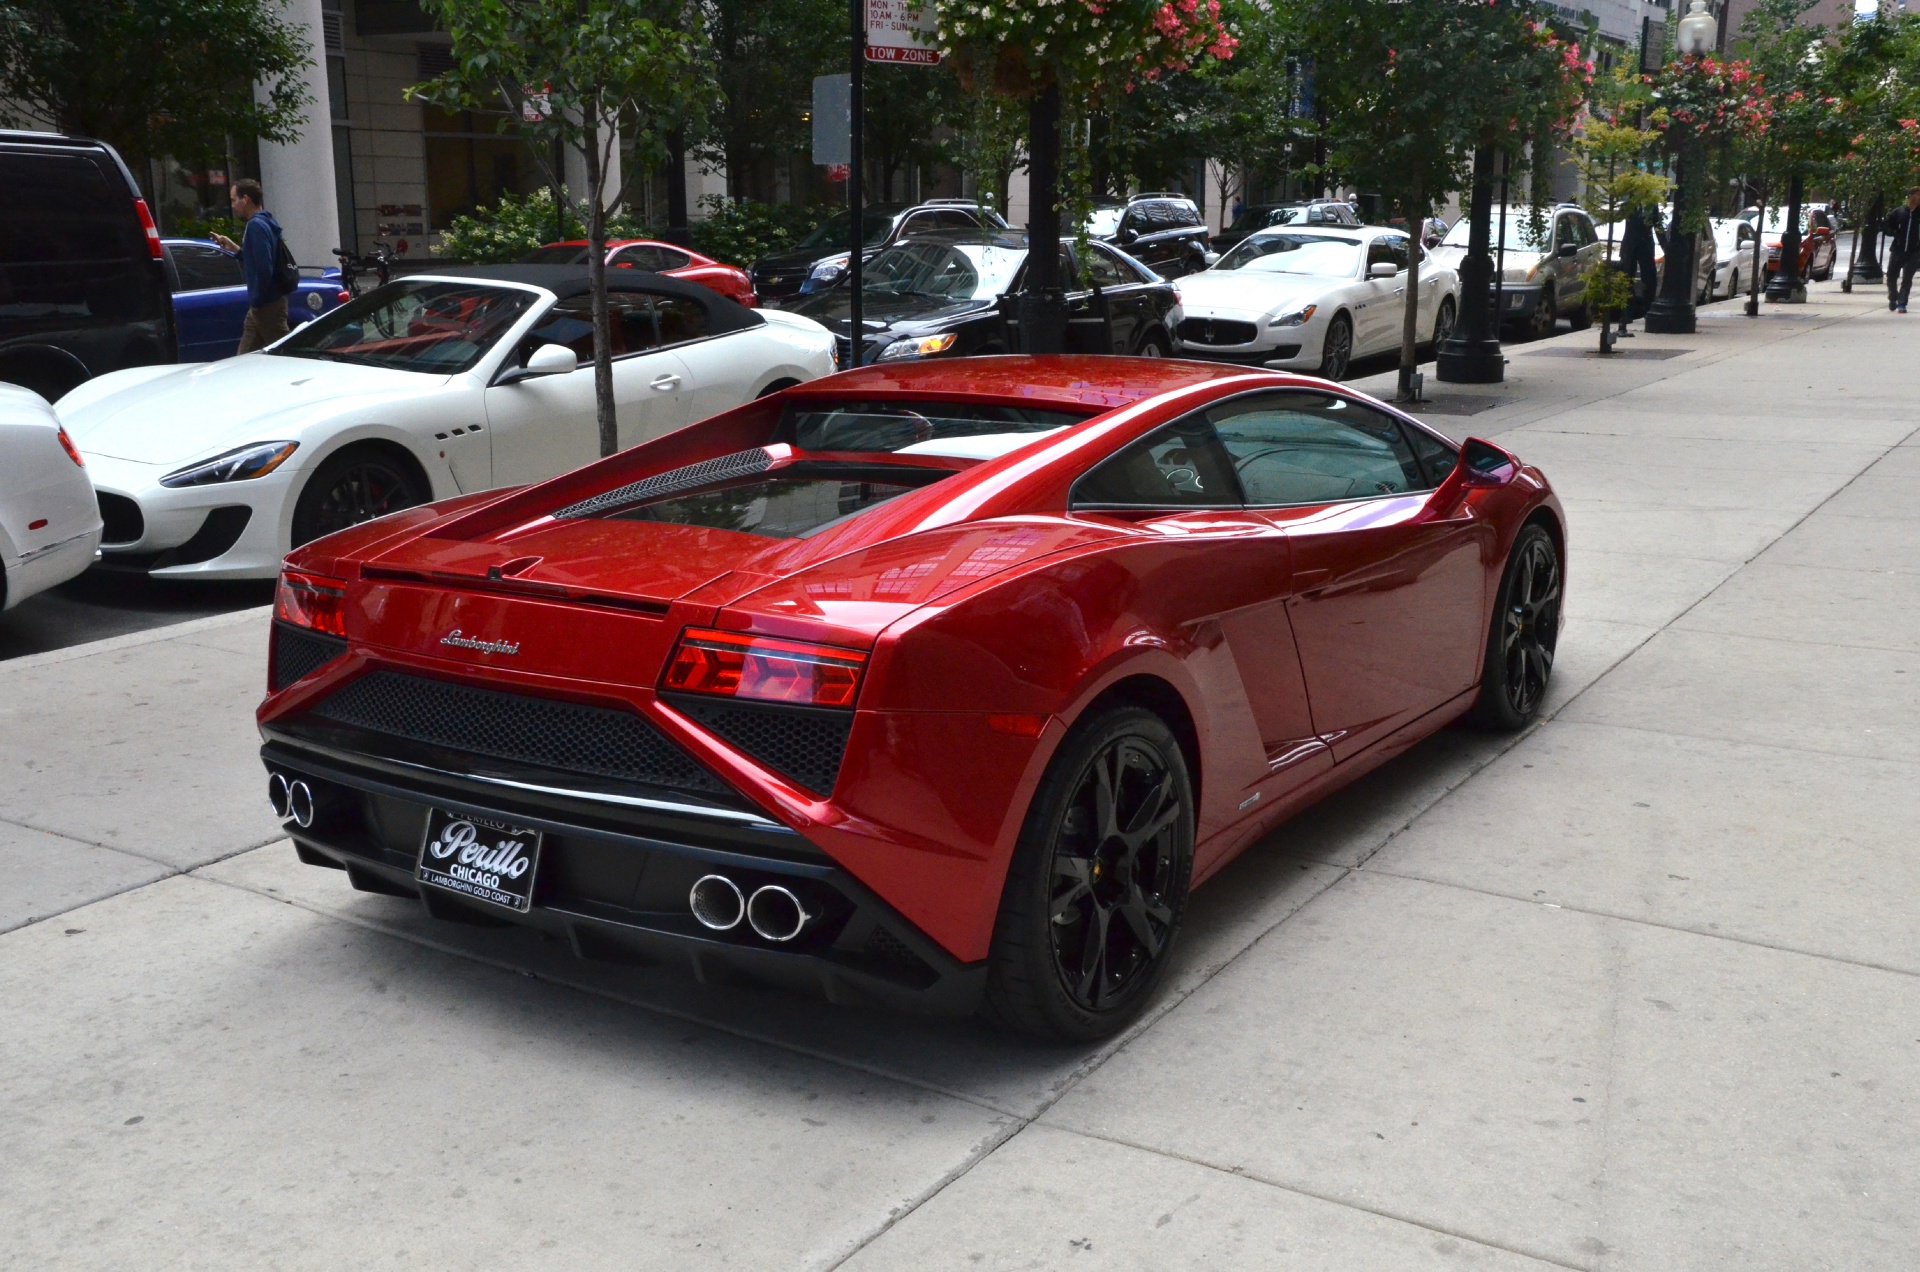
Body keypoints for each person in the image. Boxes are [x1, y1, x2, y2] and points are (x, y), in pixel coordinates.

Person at [210, 179, 291, 352]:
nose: (232, 205)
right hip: (265, 303)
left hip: (266, 304)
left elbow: (264, 268)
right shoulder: (266, 221)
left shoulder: (256, 225)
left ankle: (309, 375)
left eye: (233, 200)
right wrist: (234, 247)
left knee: (286, 352)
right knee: (245, 357)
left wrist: (258, 299)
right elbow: (257, 259)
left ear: (245, 199)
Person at [1881, 187, 1920, 313]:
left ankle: (1902, 303)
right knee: (1891, 276)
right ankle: (1893, 297)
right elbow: (1886, 226)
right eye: (1918, 195)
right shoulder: (1898, 212)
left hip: (1914, 251)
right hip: (1898, 250)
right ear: (1910, 196)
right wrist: (1895, 233)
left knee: (1907, 279)